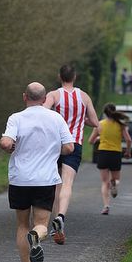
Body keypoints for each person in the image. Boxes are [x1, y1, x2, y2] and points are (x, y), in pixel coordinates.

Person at [0, 82, 74, 262]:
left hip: (20, 179)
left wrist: (9, 146)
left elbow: (6, 142)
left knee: (22, 224)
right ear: (44, 98)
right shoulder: (56, 118)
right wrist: (53, 149)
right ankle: (36, 236)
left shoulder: (16, 118)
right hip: (45, 179)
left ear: (25, 97)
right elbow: (69, 147)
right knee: (40, 224)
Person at [44, 65, 99, 245]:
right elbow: (96, 122)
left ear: (59, 76)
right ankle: (61, 217)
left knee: (54, 184)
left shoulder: (54, 95)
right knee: (67, 183)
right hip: (74, 143)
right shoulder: (84, 97)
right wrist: (81, 119)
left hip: (55, 144)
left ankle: (54, 227)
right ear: (75, 76)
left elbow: (43, 114)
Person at [88, 103, 132, 215]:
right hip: (115, 154)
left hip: (103, 153)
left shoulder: (99, 124)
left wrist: (99, 137)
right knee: (116, 179)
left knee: (104, 182)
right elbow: (128, 140)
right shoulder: (120, 125)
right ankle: (114, 185)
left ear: (104, 113)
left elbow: (91, 141)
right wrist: (128, 151)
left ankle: (106, 205)